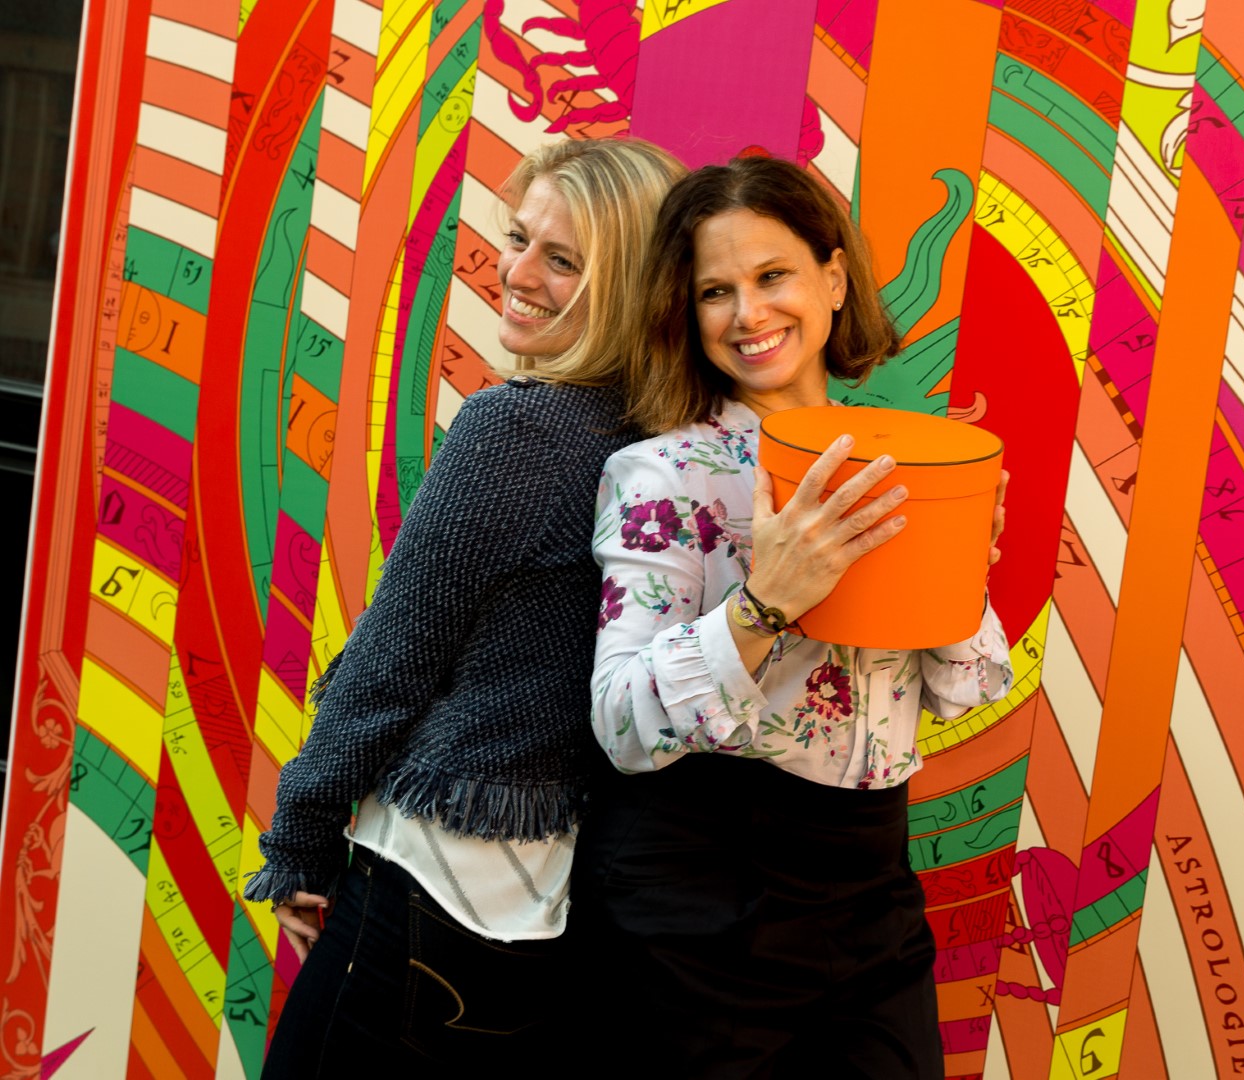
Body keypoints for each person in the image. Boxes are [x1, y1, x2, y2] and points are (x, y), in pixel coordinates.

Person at [242, 137, 684, 1074]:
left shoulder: (515, 432)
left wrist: (300, 847)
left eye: (562, 260)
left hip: (423, 896)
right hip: (551, 921)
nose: (515, 274)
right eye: (518, 240)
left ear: (635, 286)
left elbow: (389, 669)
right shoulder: (677, 450)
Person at [581, 155, 1013, 1078]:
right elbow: (619, 722)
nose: (749, 314)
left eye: (772, 276)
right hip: (696, 888)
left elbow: (963, 687)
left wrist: (959, 571)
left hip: (868, 888)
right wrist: (764, 601)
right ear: (685, 313)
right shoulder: (663, 477)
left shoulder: (902, 459)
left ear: (833, 278)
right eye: (714, 291)